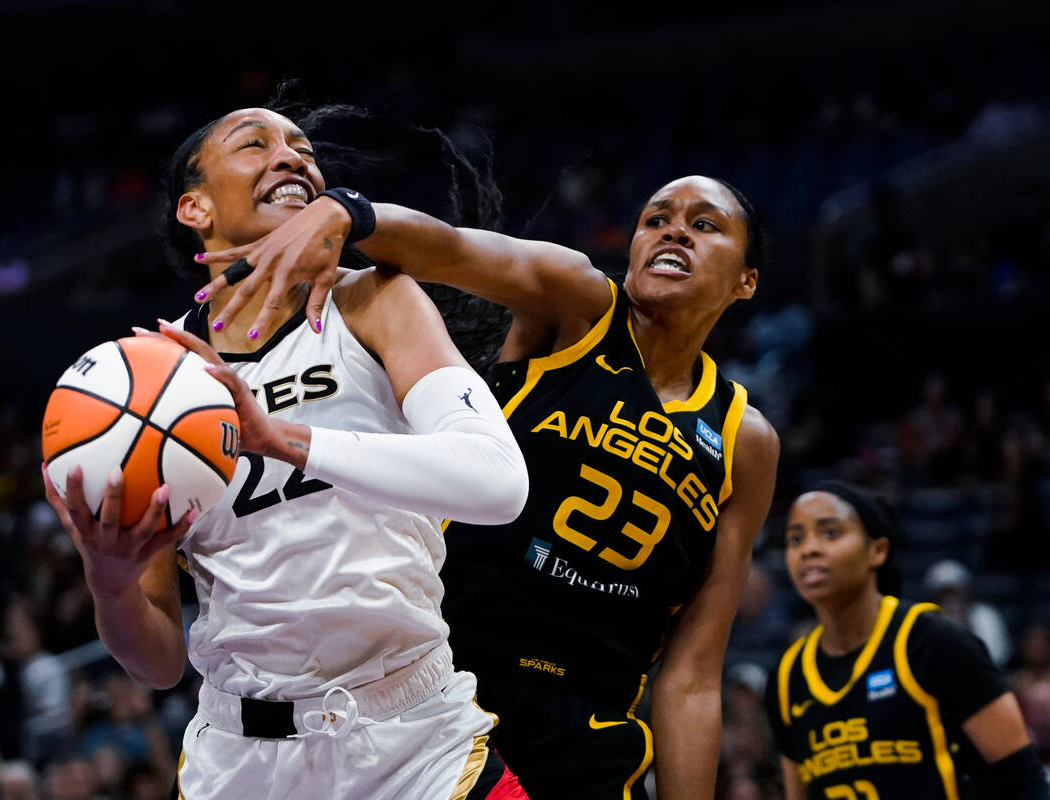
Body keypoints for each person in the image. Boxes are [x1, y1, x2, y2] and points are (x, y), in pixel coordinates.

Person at [191, 170, 780, 799]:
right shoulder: (580, 305)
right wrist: (351, 213)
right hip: (447, 680)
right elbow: (450, 250)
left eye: (704, 225)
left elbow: (691, 672)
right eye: (656, 219)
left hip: (590, 723)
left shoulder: (745, 440)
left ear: (747, 280)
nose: (674, 233)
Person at [41, 107, 531, 800]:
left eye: (302, 148)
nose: (291, 157)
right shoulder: (156, 380)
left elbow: (498, 483)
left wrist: (287, 440)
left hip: (413, 738)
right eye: (255, 144)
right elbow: (155, 665)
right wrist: (109, 579)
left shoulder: (373, 302)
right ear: (195, 207)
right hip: (242, 762)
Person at [766, 480, 1049, 799]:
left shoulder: (935, 643)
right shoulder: (787, 677)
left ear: (878, 550)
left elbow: (1023, 778)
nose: (809, 549)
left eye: (830, 533)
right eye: (795, 539)